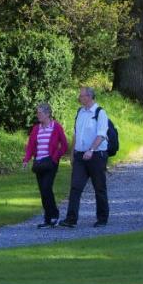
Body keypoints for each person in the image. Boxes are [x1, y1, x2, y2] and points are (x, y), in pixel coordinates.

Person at [58, 86, 109, 228]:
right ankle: (71, 219)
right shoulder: (80, 112)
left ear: (89, 97)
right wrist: (72, 153)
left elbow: (101, 135)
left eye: (82, 96)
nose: (80, 98)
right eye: (80, 96)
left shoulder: (100, 113)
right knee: (75, 187)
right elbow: (76, 134)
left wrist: (91, 149)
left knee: (99, 187)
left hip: (96, 155)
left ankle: (102, 218)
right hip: (80, 156)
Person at [22, 102, 69, 227]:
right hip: (39, 163)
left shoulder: (56, 127)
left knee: (46, 188)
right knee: (43, 191)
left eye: (40, 113)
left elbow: (64, 145)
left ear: (47, 114)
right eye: (37, 112)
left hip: (51, 163)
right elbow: (31, 146)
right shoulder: (36, 128)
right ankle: (48, 219)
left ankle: (54, 215)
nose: (38, 115)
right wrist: (26, 159)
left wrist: (55, 158)